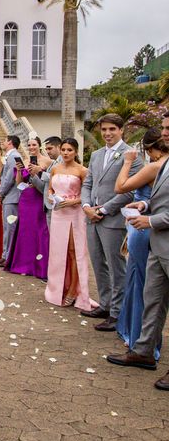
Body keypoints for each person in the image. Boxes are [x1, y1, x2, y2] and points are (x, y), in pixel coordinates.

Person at [107, 113, 169, 389]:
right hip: (158, 243)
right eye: (165, 128)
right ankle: (144, 351)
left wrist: (151, 219)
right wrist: (145, 206)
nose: (165, 133)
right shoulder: (163, 164)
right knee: (152, 298)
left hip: (158, 233)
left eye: (168, 128)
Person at [81, 114, 142, 331]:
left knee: (117, 268)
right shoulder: (96, 155)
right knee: (98, 264)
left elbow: (131, 190)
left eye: (112, 129)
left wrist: (105, 209)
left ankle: (117, 313)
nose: (107, 133)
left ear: (121, 130)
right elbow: (87, 183)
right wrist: (87, 207)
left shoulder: (131, 155)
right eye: (104, 129)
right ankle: (105, 304)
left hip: (113, 219)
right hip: (92, 218)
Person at [44, 139, 97, 309]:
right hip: (58, 213)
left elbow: (90, 195)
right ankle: (58, 288)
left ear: (76, 152)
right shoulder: (55, 168)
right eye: (64, 150)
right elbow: (51, 188)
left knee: (75, 252)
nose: (66, 153)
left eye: (70, 150)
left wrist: (74, 201)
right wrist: (52, 196)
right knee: (59, 252)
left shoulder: (82, 170)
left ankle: (74, 290)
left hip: (75, 214)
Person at [5, 138, 51, 280]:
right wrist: (19, 171)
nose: (31, 147)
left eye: (34, 145)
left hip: (38, 198)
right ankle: (23, 264)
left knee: (39, 231)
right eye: (29, 145)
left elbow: (49, 181)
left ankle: (38, 266)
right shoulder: (23, 161)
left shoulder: (47, 162)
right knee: (25, 231)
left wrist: (36, 172)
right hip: (25, 198)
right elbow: (19, 182)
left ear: (39, 146)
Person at [0, 135, 22, 265]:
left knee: (10, 227)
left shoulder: (13, 156)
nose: (3, 143)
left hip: (12, 196)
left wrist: (1, 191)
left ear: (10, 142)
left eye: (5, 141)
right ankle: (5, 254)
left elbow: (10, 177)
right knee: (7, 227)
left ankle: (8, 256)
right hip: (10, 197)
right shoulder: (10, 156)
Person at [29, 136, 62, 229]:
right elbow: (44, 187)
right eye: (46, 149)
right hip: (48, 204)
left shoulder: (63, 161)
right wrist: (33, 175)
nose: (47, 151)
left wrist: (40, 171)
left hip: (57, 204)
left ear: (59, 147)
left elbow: (58, 177)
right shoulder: (53, 163)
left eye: (50, 148)